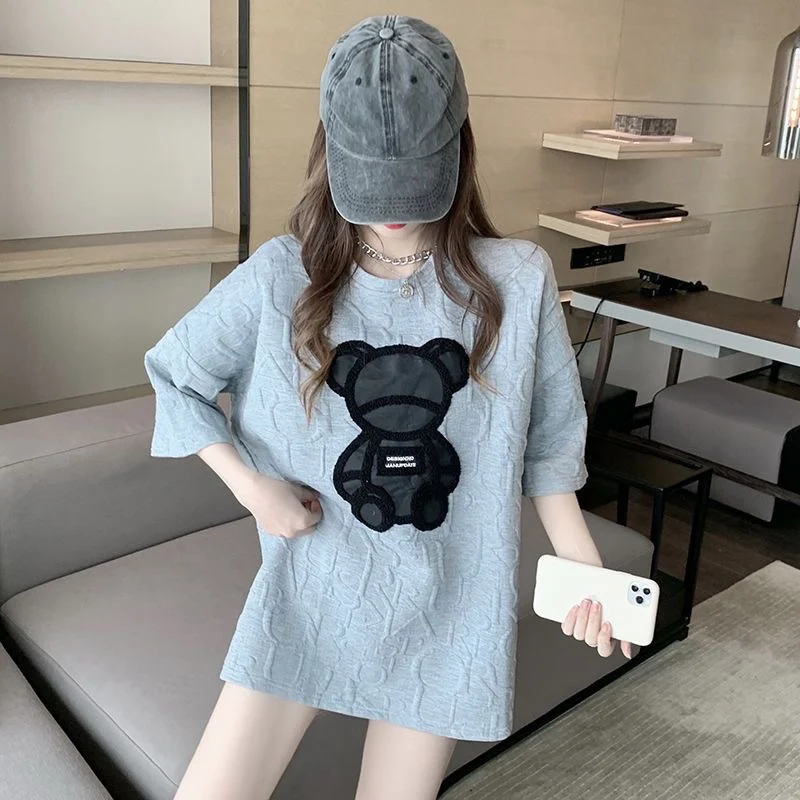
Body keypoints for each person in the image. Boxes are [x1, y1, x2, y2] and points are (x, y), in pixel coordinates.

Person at [144, 14, 633, 800]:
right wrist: (253, 488)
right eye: (371, 179)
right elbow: (175, 375)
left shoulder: (517, 279)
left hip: (451, 603)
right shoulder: (281, 277)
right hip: (311, 590)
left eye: (414, 178)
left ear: (458, 148)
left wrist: (581, 566)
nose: (394, 211)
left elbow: (548, 443)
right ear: (331, 153)